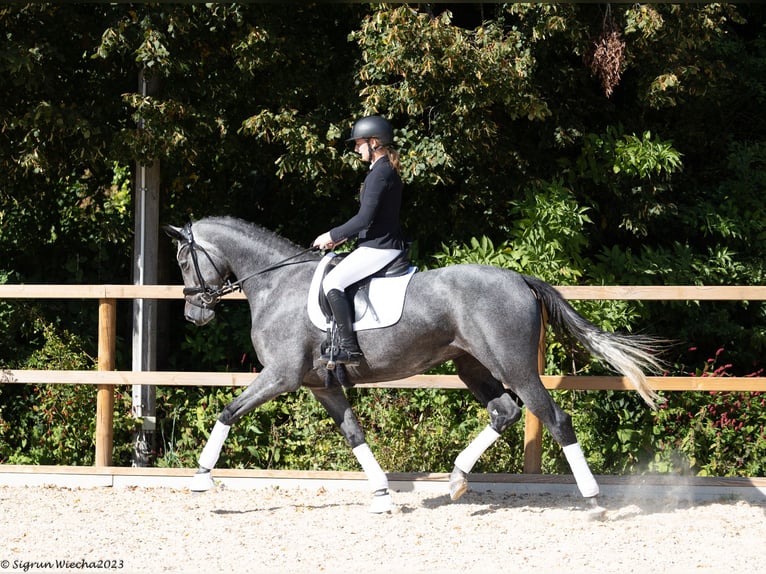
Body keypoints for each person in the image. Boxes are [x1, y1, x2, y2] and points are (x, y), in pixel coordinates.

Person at [312, 115, 406, 366]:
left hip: (381, 247)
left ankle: (349, 348)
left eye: (359, 143)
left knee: (333, 282)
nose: (356, 148)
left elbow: (364, 218)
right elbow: (372, 219)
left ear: (374, 142)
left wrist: (331, 235)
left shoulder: (381, 173)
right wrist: (342, 239)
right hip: (376, 243)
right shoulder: (383, 170)